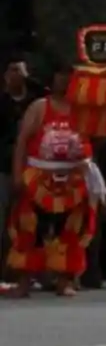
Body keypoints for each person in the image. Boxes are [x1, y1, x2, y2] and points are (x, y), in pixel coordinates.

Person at [5, 61, 100, 297]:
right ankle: (24, 280)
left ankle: (64, 279)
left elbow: (93, 142)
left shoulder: (85, 110)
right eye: (60, 75)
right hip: (39, 177)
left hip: (73, 181)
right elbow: (22, 143)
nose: (64, 80)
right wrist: (18, 174)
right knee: (29, 227)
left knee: (70, 229)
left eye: (70, 76)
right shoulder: (39, 107)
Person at [0, 56, 43, 260]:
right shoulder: (2, 101)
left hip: (32, 167)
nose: (14, 75)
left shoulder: (34, 101)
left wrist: (28, 79)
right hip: (4, 167)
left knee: (26, 219)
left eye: (18, 70)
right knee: (3, 217)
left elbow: (48, 92)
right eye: (11, 70)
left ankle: (22, 267)